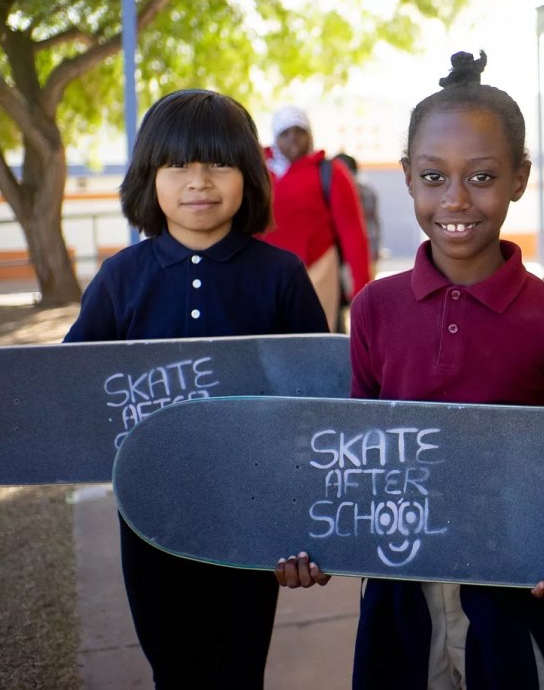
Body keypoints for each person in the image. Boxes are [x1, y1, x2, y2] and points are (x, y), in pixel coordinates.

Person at [277, 51, 544, 689]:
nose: (456, 199)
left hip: (516, 595)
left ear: (519, 178)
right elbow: (356, 453)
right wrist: (317, 540)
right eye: (433, 176)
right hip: (399, 590)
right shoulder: (374, 307)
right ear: (407, 179)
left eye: (482, 176)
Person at [64, 89, 329, 687]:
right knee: (175, 668)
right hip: (149, 517)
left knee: (240, 670)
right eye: (178, 164)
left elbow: (320, 407)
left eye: (219, 163)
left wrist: (311, 524)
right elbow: (63, 393)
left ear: (250, 175)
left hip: (253, 518)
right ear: (148, 176)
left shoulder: (281, 276)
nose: (199, 181)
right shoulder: (120, 279)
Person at [262, 106, 372, 332]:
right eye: (285, 133)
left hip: (318, 270)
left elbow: (352, 233)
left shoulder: (330, 171)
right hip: (265, 275)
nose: (293, 138)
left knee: (316, 340)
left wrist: (362, 289)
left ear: (310, 134)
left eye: (299, 131)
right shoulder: (258, 171)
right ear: (275, 138)